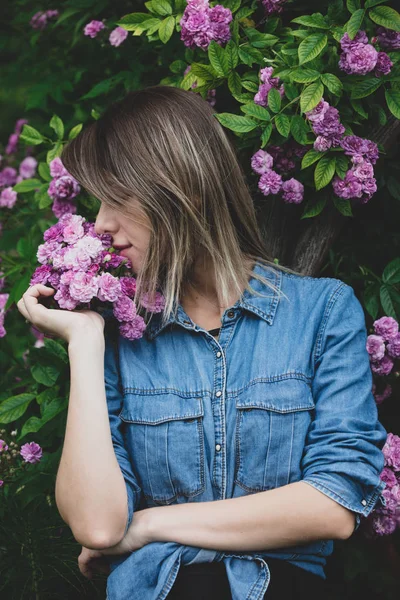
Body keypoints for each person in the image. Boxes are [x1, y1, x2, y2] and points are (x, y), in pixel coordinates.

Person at [17, 85, 387, 600]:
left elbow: (334, 502)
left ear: (182, 191)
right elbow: (98, 528)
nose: (100, 224)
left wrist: (148, 524)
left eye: (116, 198)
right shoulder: (118, 334)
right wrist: (83, 339)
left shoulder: (321, 313)